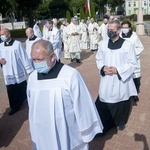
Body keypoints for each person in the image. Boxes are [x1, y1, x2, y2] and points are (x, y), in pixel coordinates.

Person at [27, 39, 103, 150]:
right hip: (41, 132)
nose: (36, 63)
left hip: (65, 133)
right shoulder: (33, 77)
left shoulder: (70, 75)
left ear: (52, 56)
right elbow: (31, 104)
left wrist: (86, 131)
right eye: (33, 60)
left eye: (40, 59)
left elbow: (83, 104)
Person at [95, 20, 137, 134]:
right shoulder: (103, 44)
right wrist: (102, 67)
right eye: (108, 30)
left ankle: (120, 122)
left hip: (120, 79)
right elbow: (98, 58)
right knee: (104, 99)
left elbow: (133, 63)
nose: (110, 31)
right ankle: (105, 124)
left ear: (118, 31)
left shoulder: (127, 45)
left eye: (112, 30)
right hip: (107, 78)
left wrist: (118, 70)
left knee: (121, 100)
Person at [0, 28, 33, 115]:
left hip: (18, 70)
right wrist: (0, 60)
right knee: (11, 89)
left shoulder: (17, 44)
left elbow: (24, 57)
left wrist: (29, 70)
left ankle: (24, 100)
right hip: (8, 71)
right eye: (0, 35)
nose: (1, 36)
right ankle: (14, 107)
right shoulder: (1, 46)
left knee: (21, 86)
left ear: (8, 34)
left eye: (3, 34)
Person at [120, 20, 144, 102]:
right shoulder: (119, 35)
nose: (124, 29)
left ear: (130, 28)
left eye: (126, 27)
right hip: (123, 61)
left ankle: (135, 94)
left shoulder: (134, 36)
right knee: (125, 78)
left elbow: (140, 47)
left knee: (136, 79)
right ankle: (126, 94)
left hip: (134, 61)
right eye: (123, 27)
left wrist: (132, 54)